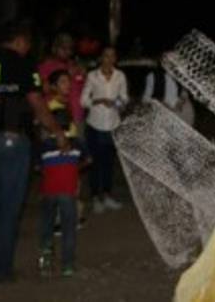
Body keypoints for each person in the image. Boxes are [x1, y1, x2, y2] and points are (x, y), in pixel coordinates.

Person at [0, 20, 68, 286]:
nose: (28, 48)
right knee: (9, 206)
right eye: (28, 43)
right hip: (13, 138)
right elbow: (37, 105)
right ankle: (1, 270)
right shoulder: (22, 63)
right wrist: (58, 132)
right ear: (20, 40)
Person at [38, 70, 85, 277]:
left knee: (50, 218)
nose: (69, 84)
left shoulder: (56, 107)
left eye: (69, 81)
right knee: (68, 221)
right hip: (63, 174)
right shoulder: (52, 109)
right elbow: (65, 143)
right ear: (54, 86)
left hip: (54, 174)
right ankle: (66, 264)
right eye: (64, 81)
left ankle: (46, 256)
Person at [81, 46, 129, 213]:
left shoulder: (120, 76)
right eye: (106, 55)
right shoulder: (92, 76)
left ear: (115, 59)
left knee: (109, 164)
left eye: (112, 56)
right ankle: (95, 198)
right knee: (95, 163)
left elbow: (124, 99)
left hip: (113, 125)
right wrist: (98, 100)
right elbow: (83, 100)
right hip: (95, 125)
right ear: (101, 57)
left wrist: (115, 103)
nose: (109, 59)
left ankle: (107, 196)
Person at [38, 33, 86, 126]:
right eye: (63, 48)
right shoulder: (46, 66)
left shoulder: (75, 65)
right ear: (55, 48)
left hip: (77, 118)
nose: (67, 52)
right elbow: (44, 89)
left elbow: (84, 89)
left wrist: (84, 75)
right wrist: (68, 75)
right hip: (54, 118)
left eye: (69, 49)